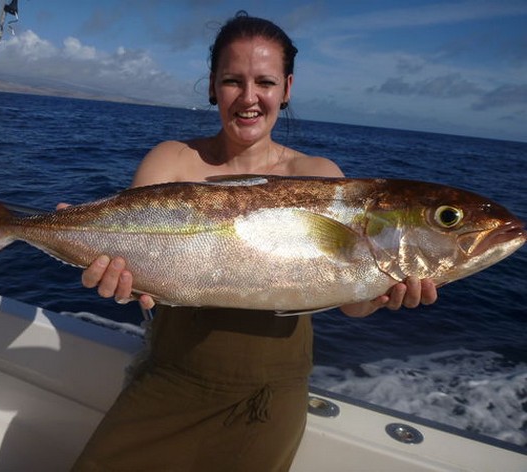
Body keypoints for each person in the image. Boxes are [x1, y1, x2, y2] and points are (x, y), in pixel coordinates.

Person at [71, 11, 438, 472]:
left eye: (264, 82)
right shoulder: (171, 160)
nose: (248, 98)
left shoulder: (322, 178)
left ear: (286, 89)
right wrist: (111, 273)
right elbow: (136, 262)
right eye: (232, 81)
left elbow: (352, 303)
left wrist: (384, 295)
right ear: (211, 86)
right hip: (170, 378)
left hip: (269, 398)